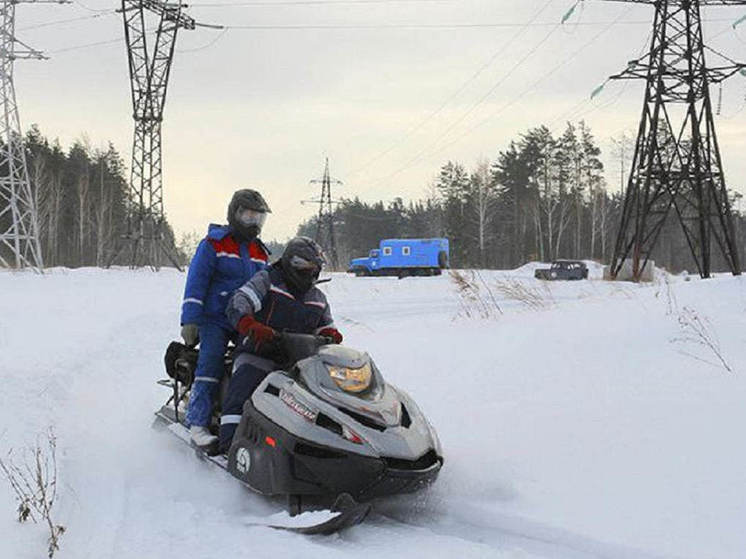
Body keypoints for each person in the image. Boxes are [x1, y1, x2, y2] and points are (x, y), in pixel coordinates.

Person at [218, 236, 343, 452]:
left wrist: (331, 334)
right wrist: (251, 325)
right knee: (243, 387)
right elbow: (239, 301)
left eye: (315, 267)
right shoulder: (267, 281)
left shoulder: (317, 297)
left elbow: (325, 325)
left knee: (326, 399)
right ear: (291, 262)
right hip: (259, 353)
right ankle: (228, 446)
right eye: (305, 265)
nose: (310, 271)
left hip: (299, 363)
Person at [180, 188, 271, 449]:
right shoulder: (214, 244)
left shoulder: (260, 252)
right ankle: (197, 422)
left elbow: (266, 288)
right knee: (211, 361)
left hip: (245, 320)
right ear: (235, 214)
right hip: (216, 319)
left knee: (261, 362)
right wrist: (190, 320)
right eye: (248, 216)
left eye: (258, 217)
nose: (253, 222)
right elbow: (196, 282)